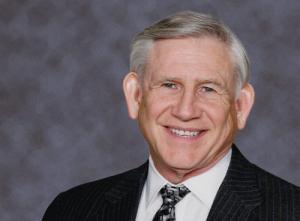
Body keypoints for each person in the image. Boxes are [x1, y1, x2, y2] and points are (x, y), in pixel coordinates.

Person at [43, 11, 300, 221]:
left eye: (208, 89)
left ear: (240, 106)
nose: (185, 110)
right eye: (169, 85)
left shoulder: (291, 212)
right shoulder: (72, 210)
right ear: (135, 96)